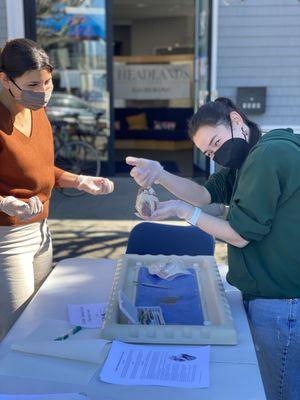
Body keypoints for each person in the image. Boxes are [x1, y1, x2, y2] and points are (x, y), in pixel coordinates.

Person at [126, 97, 300, 400]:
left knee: (279, 392)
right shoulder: (249, 157)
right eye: (209, 152)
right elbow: (205, 195)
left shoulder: (268, 155)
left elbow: (239, 234)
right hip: (272, 295)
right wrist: (159, 174)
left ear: (236, 119)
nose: (217, 154)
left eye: (217, 142)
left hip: (282, 302)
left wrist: (183, 212)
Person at [0, 38, 114, 340]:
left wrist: (78, 180)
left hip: (42, 233)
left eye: (47, 82)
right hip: (7, 239)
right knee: (15, 332)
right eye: (33, 84)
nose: (42, 92)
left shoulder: (37, 112)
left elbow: (40, 170)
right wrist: (4, 203)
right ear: (5, 80)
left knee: (39, 320)